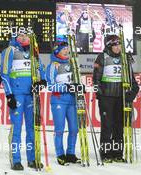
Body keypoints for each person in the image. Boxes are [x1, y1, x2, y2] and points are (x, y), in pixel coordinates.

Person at [0, 32, 46, 170]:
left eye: (26, 35)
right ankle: (16, 160)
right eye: (20, 35)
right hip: (17, 94)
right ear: (15, 37)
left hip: (31, 95)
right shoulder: (10, 50)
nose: (24, 38)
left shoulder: (34, 51)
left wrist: (41, 82)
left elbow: (40, 70)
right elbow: (4, 73)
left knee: (32, 128)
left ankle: (32, 159)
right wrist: (9, 95)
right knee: (17, 128)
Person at [93, 34, 139, 163]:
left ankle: (117, 153)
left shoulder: (125, 59)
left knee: (119, 126)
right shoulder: (102, 57)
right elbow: (96, 79)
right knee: (107, 126)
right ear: (109, 45)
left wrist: (133, 92)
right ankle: (105, 153)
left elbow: (132, 80)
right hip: (107, 97)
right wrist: (100, 95)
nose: (118, 47)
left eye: (120, 45)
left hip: (121, 98)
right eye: (115, 45)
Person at [46, 36, 82, 166]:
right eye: (63, 49)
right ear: (57, 51)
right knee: (60, 129)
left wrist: (78, 86)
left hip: (72, 100)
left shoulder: (72, 64)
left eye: (67, 49)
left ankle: (71, 153)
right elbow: (50, 86)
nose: (66, 51)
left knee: (74, 129)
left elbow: (77, 80)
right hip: (58, 100)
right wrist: (66, 87)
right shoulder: (52, 66)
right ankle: (60, 154)